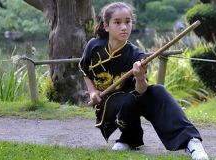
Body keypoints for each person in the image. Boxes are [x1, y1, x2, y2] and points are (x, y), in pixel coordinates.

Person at [79, 2, 209, 160]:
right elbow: (84, 71)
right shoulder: (94, 46)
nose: (124, 27)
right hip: (110, 106)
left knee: (157, 91)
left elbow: (141, 90)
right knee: (125, 99)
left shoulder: (136, 54)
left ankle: (191, 142)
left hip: (131, 100)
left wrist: (140, 76)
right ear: (106, 26)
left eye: (128, 22)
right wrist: (92, 91)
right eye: (117, 22)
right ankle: (129, 138)